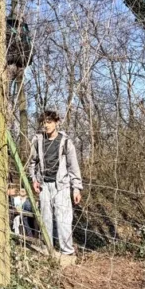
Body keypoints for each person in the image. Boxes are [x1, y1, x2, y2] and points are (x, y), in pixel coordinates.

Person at [28, 110, 83, 262]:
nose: (46, 125)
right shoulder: (38, 140)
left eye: (49, 122)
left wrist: (76, 188)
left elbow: (73, 166)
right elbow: (32, 162)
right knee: (46, 218)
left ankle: (67, 252)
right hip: (44, 185)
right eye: (44, 122)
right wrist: (34, 180)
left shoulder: (65, 142)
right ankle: (48, 249)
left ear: (56, 122)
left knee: (63, 219)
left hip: (62, 186)